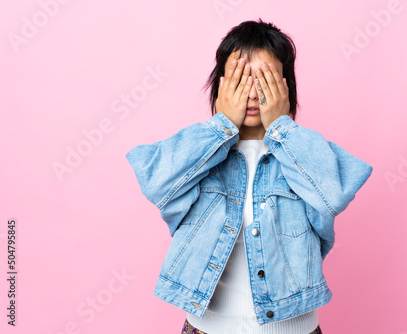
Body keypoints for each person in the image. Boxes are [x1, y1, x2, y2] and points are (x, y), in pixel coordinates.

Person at [126, 18, 373, 334]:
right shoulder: (198, 153)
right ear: (220, 84)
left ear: (285, 86)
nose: (253, 93)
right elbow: (157, 181)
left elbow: (332, 194)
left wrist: (281, 127)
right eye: (241, 78)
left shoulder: (306, 152)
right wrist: (222, 125)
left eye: (265, 79)